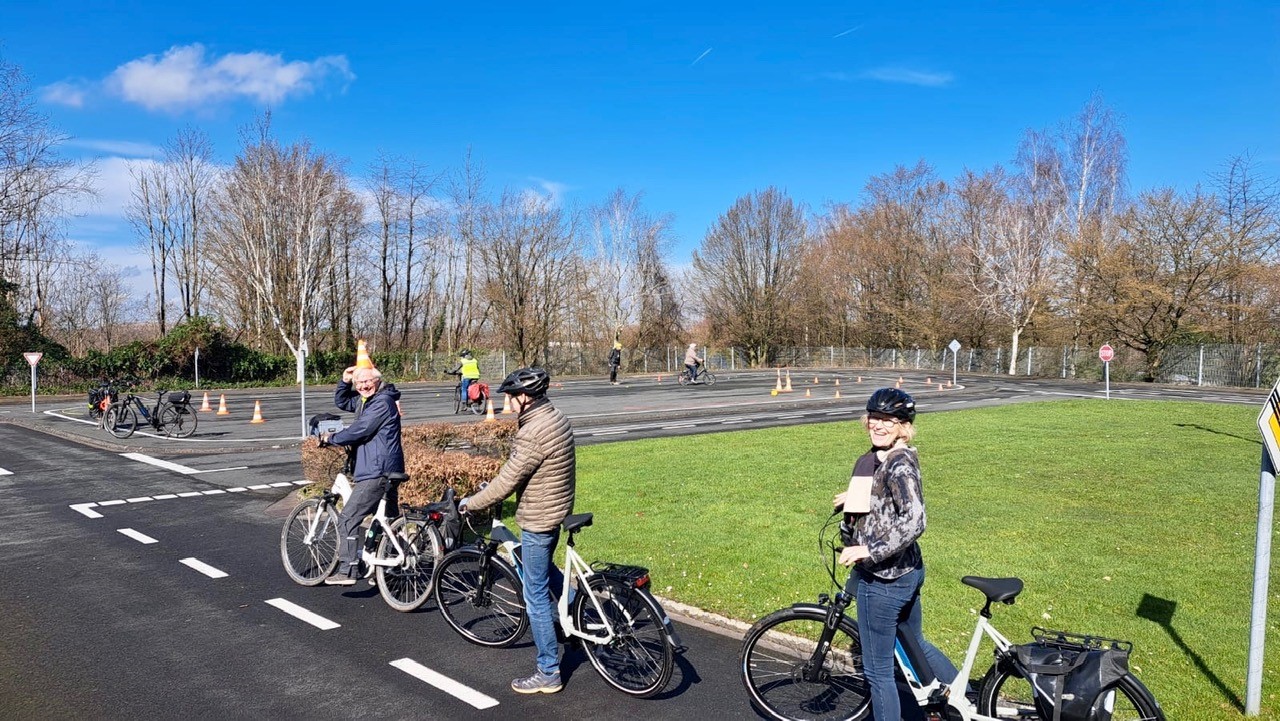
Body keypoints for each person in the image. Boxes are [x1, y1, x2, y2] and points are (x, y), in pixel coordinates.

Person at [833, 387, 957, 721]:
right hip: (907, 571)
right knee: (916, 643)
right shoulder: (889, 458)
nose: (878, 424)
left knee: (878, 672)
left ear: (903, 425)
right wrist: (856, 497)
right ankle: (961, 700)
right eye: (874, 417)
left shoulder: (899, 463)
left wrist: (868, 549)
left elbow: (915, 519)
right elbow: (888, 498)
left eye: (888, 419)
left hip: (885, 579)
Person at [459, 367, 575, 694]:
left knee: (534, 594)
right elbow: (525, 470)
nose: (507, 403)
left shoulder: (533, 431)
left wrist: (472, 502)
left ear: (525, 397)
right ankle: (581, 614)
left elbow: (508, 480)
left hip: (539, 517)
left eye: (510, 397)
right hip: (555, 509)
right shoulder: (554, 416)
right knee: (547, 570)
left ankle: (548, 670)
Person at [319, 365, 404, 586]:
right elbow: (342, 401)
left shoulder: (381, 402)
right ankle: (385, 566)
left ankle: (348, 570)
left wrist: (332, 438)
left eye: (367, 382)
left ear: (378, 381)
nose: (363, 386)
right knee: (386, 520)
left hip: (377, 470)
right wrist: (345, 380)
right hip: (386, 468)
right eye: (359, 383)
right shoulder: (367, 401)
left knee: (348, 517)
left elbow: (361, 429)